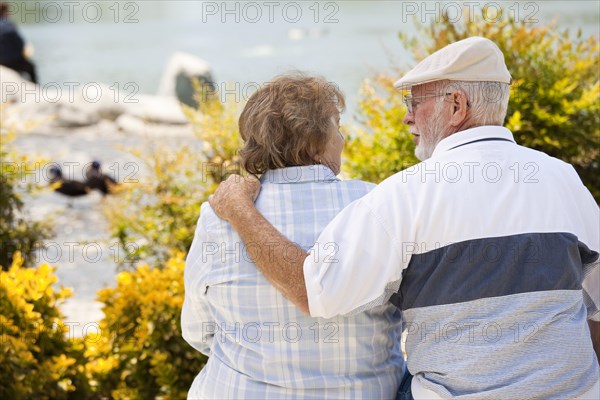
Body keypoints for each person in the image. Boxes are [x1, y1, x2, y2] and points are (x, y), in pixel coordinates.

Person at [208, 37, 600, 399]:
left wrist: (240, 211)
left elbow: (314, 291)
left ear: (456, 106)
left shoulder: (404, 194)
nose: (407, 119)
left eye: (415, 104)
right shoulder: (564, 178)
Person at [181, 73, 404, 399]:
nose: (343, 139)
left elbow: (199, 330)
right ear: (315, 143)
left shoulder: (218, 215)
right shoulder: (377, 205)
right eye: (337, 127)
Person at [0, 2, 37, 83]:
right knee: (31, 67)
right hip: (11, 62)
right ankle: (35, 88)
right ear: (5, 12)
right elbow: (20, 45)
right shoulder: (9, 26)